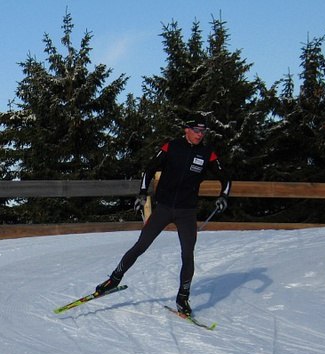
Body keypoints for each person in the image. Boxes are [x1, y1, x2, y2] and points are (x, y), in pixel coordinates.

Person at [95, 114, 231, 315]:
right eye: (196, 130)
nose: (200, 135)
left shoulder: (206, 153)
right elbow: (150, 169)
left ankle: (182, 298)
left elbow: (226, 178)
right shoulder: (172, 147)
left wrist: (224, 196)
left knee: (188, 255)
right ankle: (113, 280)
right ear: (187, 130)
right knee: (141, 246)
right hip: (164, 208)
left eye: (203, 131)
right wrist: (142, 193)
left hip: (187, 212)